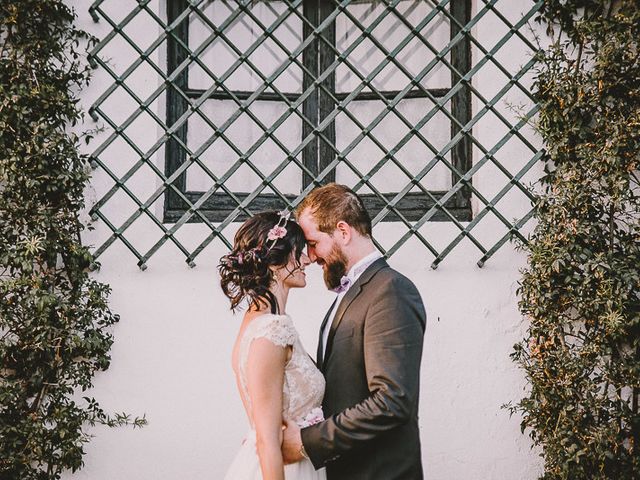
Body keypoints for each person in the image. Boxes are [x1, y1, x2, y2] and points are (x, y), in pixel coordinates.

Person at [281, 183, 427, 480]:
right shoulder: (350, 295)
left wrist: (308, 442)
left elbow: (392, 400)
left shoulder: (390, 291)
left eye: (313, 242)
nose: (309, 256)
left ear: (343, 232)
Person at [219, 210, 327, 480]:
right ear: (275, 262)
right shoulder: (269, 332)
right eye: (299, 251)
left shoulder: (262, 322)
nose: (307, 259)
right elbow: (267, 439)